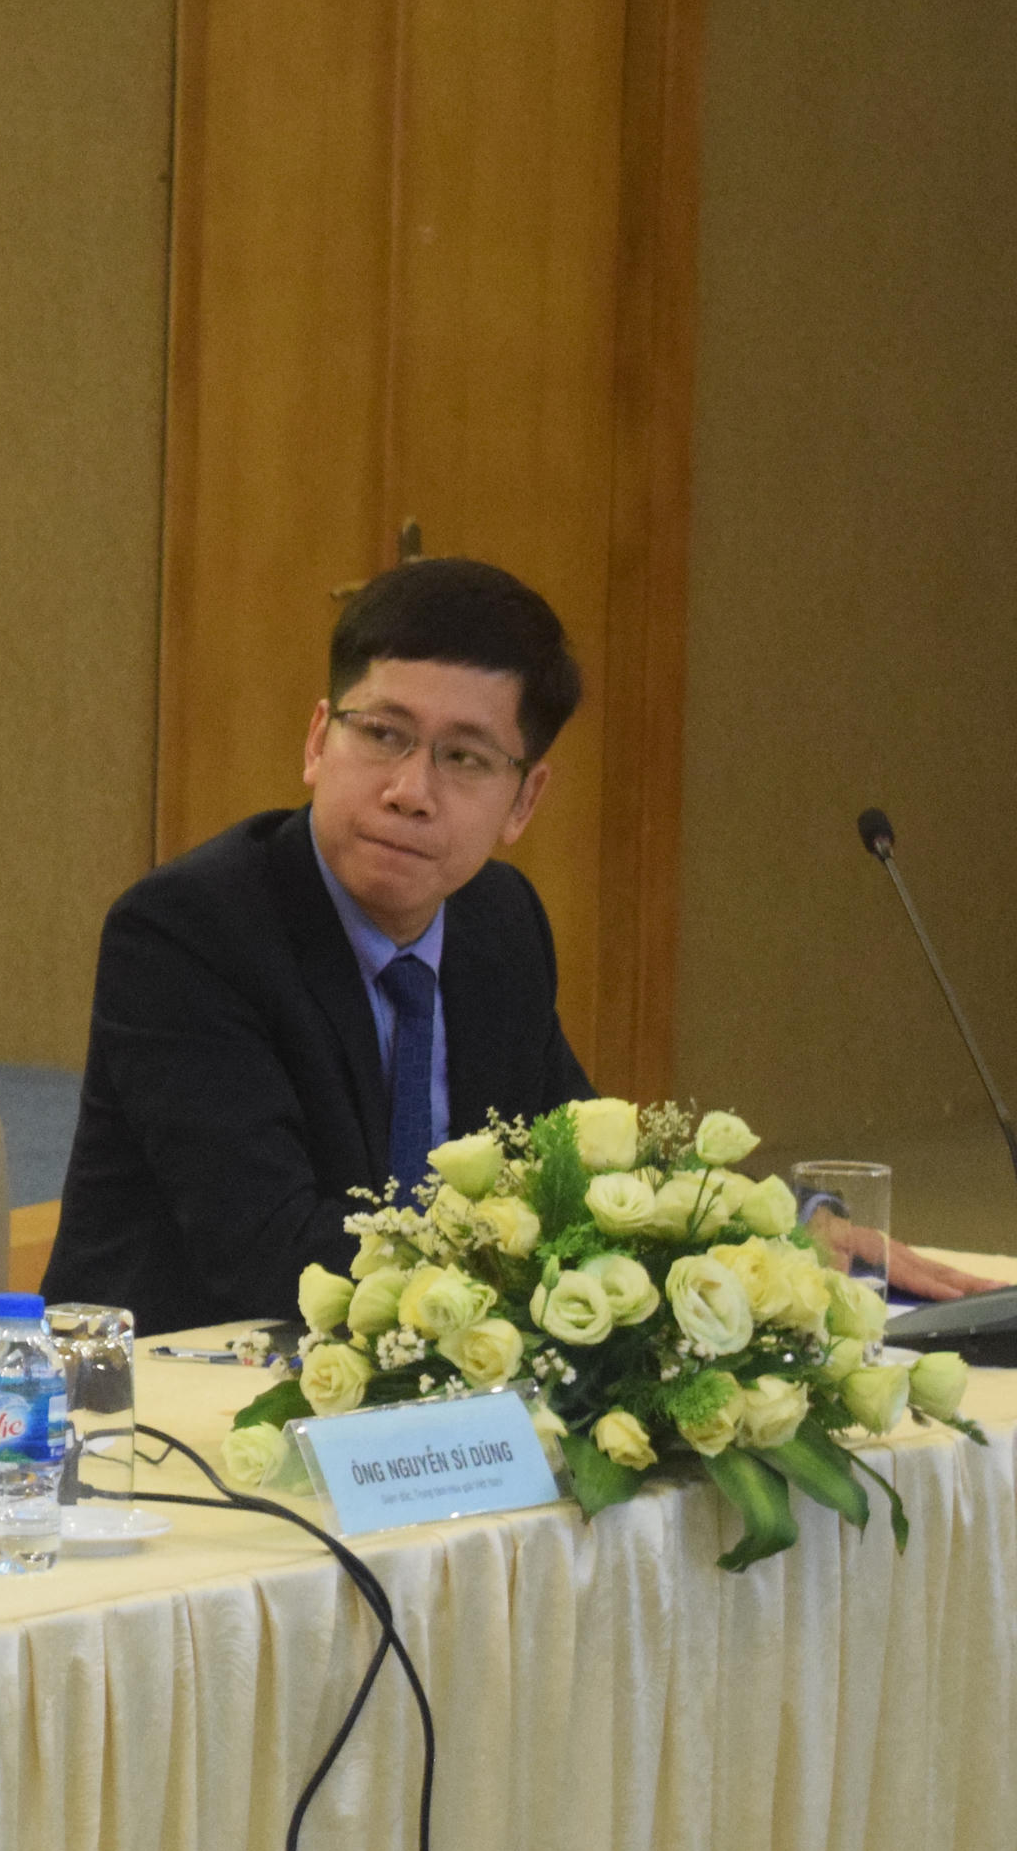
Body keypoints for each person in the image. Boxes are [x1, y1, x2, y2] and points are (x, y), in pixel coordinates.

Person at [43, 560, 601, 1334]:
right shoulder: (188, 930)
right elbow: (271, 1253)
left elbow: (584, 1169)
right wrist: (514, 1271)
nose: (410, 791)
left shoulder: (501, 923)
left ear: (524, 801)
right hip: (178, 1383)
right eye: (383, 735)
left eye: (464, 758)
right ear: (317, 741)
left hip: (433, 1376)